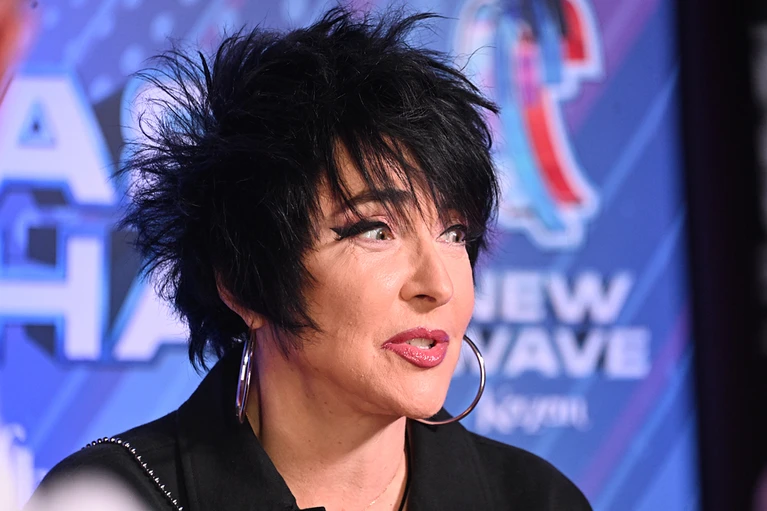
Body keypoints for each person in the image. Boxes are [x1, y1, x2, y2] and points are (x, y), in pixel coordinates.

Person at [28, 6, 591, 510]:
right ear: (242, 282)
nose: (437, 284)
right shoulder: (113, 497)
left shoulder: (536, 500)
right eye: (376, 230)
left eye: (453, 232)